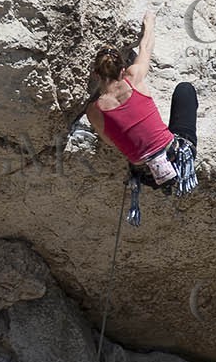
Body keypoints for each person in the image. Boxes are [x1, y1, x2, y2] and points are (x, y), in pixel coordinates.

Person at [85, 11, 198, 216]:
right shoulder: (133, 78)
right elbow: (146, 48)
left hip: (145, 173)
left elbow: (112, 141)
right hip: (175, 156)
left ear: (95, 75)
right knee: (185, 90)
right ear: (123, 70)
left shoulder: (94, 111)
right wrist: (150, 22)